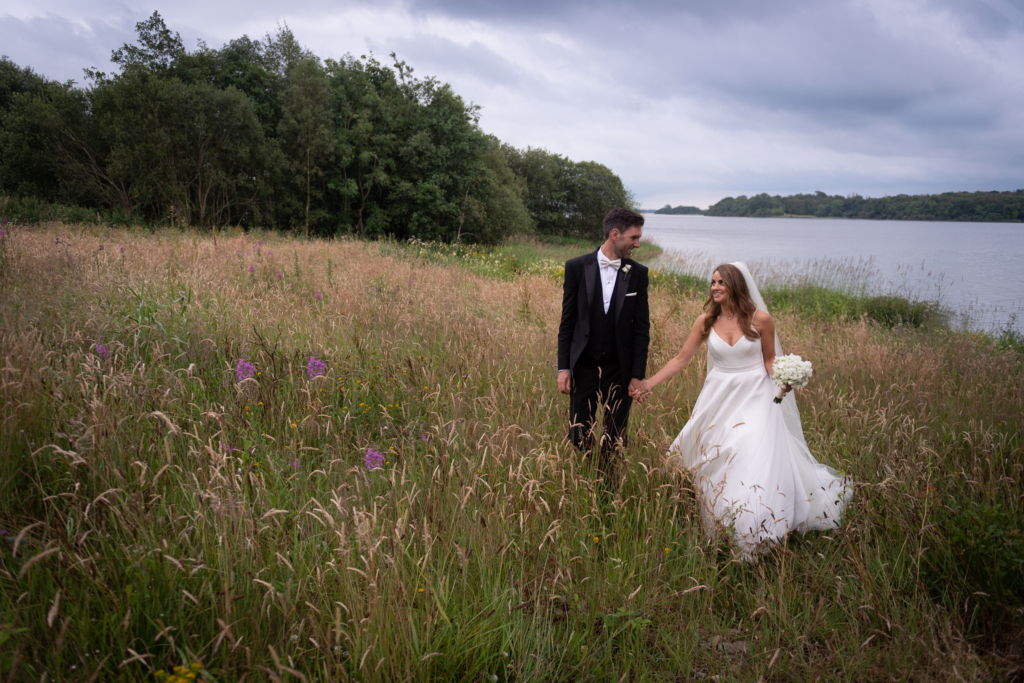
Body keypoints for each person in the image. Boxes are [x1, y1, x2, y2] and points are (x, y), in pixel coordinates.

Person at [631, 262, 851, 557]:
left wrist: (785, 379)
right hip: (719, 396)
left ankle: (757, 525)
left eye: (722, 282)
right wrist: (648, 384)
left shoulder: (761, 319)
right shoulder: (706, 320)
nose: (715, 287)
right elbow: (680, 359)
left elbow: (770, 361)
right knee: (720, 453)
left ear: (736, 285)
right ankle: (725, 516)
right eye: (713, 282)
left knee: (750, 451)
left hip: (757, 395)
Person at [557, 208, 650, 482]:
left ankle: (607, 492)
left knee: (615, 438)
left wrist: (636, 375)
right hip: (583, 366)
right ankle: (588, 479)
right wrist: (564, 368)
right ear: (615, 234)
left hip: (619, 370)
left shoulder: (638, 273)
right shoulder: (576, 266)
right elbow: (567, 322)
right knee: (578, 434)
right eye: (634, 237)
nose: (638, 244)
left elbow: (641, 330)